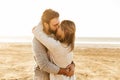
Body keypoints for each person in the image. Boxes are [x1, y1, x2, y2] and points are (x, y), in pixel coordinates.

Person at [32, 9, 75, 80]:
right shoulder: (37, 40)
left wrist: (73, 64)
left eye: (59, 24)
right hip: (43, 76)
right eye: (55, 25)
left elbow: (65, 54)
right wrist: (65, 71)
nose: (58, 27)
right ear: (46, 24)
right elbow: (44, 65)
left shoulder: (57, 34)